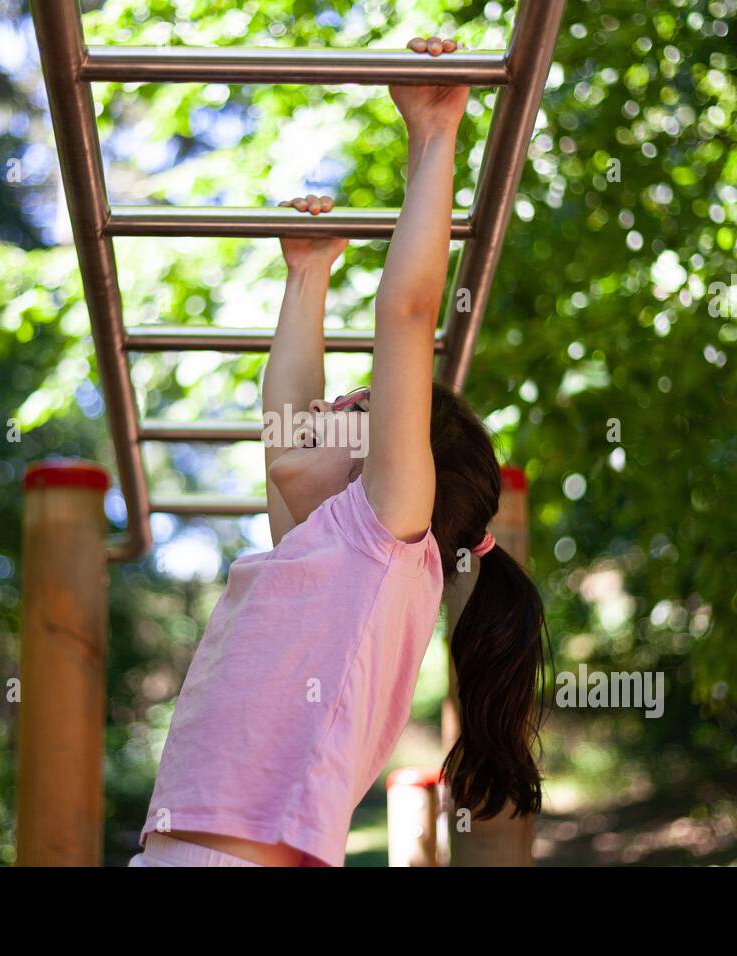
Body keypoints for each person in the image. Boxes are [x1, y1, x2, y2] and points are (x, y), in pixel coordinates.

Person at [129, 35, 549, 867]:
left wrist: (433, 136)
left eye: (349, 407)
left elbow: (407, 315)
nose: (319, 409)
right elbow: (287, 423)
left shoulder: (382, 541)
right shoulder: (336, 551)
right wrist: (306, 278)